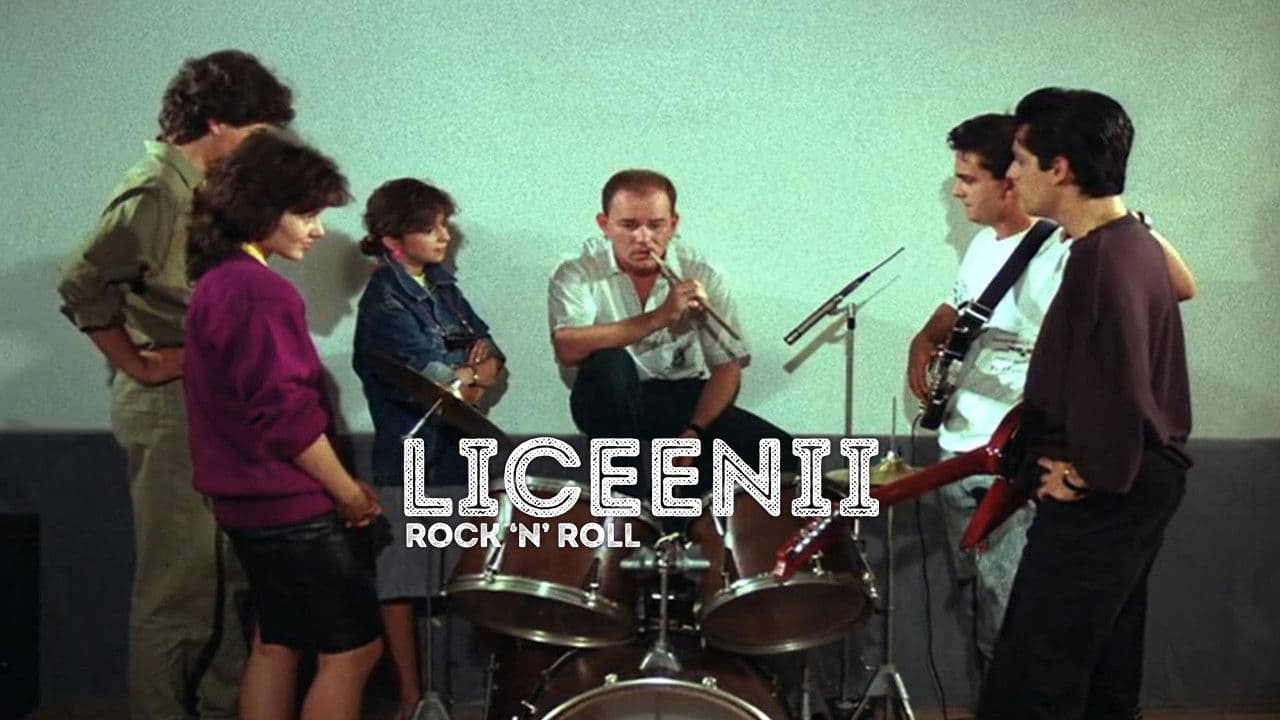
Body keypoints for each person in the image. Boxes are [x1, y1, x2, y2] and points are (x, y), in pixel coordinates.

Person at [905, 114, 1197, 676]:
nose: (958, 191)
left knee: (1024, 630)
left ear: (1011, 181)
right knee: (986, 613)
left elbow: (1176, 286)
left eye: (970, 178)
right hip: (962, 450)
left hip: (1017, 460)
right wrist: (925, 338)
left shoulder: (1068, 246)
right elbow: (962, 305)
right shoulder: (983, 246)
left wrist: (1133, 222)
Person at [56, 49, 294, 719]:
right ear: (216, 121)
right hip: (169, 407)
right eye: (254, 132)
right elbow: (81, 281)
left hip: (215, 404)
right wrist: (137, 361)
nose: (260, 147)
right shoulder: (156, 189)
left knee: (226, 577)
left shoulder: (204, 192)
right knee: (179, 589)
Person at [975, 88, 1193, 719]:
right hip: (1135, 481)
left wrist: (1090, 473)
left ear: (1060, 168)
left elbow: (1121, 379)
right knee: (1104, 671)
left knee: (1034, 680)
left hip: (1103, 493)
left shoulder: (1102, 257)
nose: (1012, 174)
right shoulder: (1134, 243)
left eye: (1021, 160)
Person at [184, 130, 383, 720]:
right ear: (262, 208)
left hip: (243, 503)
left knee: (277, 643)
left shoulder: (216, 282)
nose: (317, 230)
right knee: (352, 653)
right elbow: (287, 419)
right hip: (288, 505)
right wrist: (348, 493)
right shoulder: (260, 291)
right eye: (306, 213)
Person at [353, 178, 505, 720]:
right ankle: (410, 696)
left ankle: (472, 693)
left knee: (469, 572)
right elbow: (435, 378)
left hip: (462, 451)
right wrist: (467, 374)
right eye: (430, 227)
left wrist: (471, 376)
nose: (444, 237)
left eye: (444, 225)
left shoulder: (443, 289)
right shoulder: (385, 300)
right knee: (401, 580)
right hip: (411, 452)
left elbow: (491, 356)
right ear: (393, 237)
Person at [548, 169, 796, 496]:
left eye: (655, 225)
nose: (643, 238)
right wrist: (659, 317)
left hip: (674, 395)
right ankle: (633, 506)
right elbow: (567, 347)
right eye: (628, 225)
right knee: (610, 364)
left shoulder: (700, 272)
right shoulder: (578, 269)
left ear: (673, 224)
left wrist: (695, 432)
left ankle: (692, 521)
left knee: (783, 456)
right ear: (604, 224)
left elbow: (727, 367)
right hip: (606, 396)